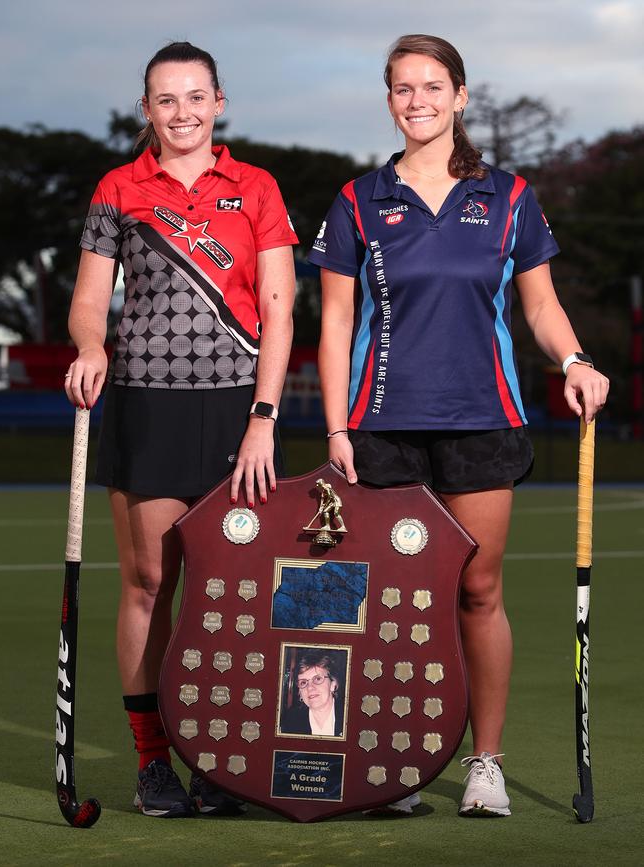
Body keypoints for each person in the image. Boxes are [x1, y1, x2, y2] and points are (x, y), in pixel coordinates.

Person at [308, 34, 609, 818]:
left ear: (461, 96)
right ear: (389, 102)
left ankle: (485, 763)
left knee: (477, 589)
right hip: (382, 425)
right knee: (392, 596)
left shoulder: (510, 197)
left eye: (432, 86)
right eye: (403, 88)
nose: (419, 101)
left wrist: (574, 359)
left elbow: (539, 305)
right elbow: (336, 323)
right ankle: (397, 763)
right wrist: (337, 426)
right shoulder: (357, 200)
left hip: (482, 417)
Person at [64, 41, 297, 818]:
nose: (183, 111)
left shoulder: (257, 186)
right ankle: (153, 761)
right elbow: (91, 299)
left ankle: (221, 759)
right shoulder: (119, 188)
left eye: (196, 96)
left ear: (219, 102)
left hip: (237, 410)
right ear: (146, 111)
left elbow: (278, 308)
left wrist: (264, 418)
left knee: (232, 592)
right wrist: (91, 343)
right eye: (166, 99)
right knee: (149, 585)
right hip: (144, 403)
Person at [281, 651, 344, 737]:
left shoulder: (350, 717)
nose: (310, 687)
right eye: (303, 682)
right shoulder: (289, 722)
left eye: (317, 679)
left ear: (333, 685)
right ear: (300, 692)